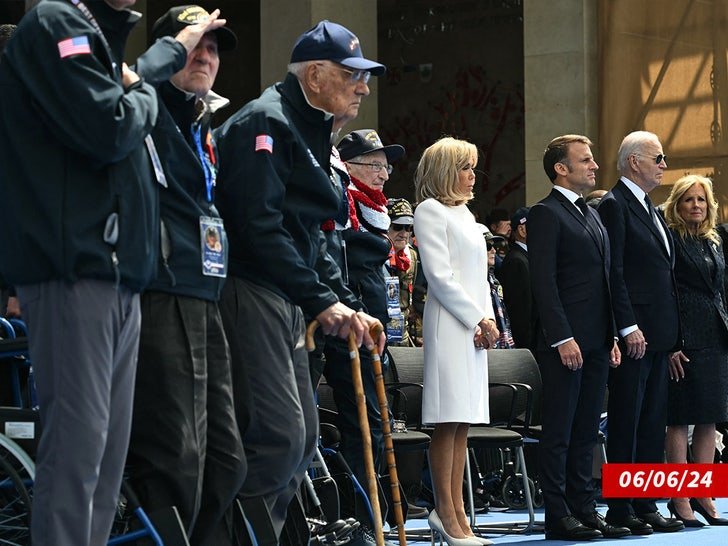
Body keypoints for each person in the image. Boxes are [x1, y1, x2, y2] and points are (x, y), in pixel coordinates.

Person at [0, 1, 190, 544]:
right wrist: (149, 82)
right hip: (73, 270)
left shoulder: (94, 39)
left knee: (106, 460)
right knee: (79, 452)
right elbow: (108, 129)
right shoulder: (56, 23)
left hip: (117, 275)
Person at [213, 20, 385, 540]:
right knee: (279, 437)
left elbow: (315, 233)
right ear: (314, 75)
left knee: (303, 436)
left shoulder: (309, 127)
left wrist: (340, 302)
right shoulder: (266, 122)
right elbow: (259, 230)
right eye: (352, 74)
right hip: (253, 289)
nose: (364, 86)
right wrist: (322, 300)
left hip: (288, 296)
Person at [124, 7, 246, 546]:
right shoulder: (142, 104)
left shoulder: (203, 123)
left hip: (205, 294)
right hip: (160, 294)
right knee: (176, 454)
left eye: (213, 49)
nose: (204, 56)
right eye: (193, 44)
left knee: (226, 459)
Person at [529, 135, 625, 541]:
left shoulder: (592, 213)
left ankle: (584, 507)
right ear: (560, 169)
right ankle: (558, 512)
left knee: (587, 429)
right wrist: (562, 336)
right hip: (565, 344)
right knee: (560, 431)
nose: (595, 166)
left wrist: (612, 334)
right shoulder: (545, 213)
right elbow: (544, 283)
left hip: (597, 341)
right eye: (585, 160)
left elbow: (604, 280)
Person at [596, 130, 683, 534]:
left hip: (659, 335)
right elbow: (614, 272)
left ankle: (646, 503)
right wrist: (626, 325)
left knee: (651, 423)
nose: (664, 165)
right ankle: (619, 507)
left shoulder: (650, 207)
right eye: (658, 158)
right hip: (635, 333)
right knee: (626, 421)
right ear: (635, 161)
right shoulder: (614, 205)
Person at [414, 136, 499, 546]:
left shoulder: (465, 213)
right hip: (449, 324)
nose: (472, 176)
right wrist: (477, 318)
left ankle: (460, 514)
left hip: (473, 327)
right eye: (465, 168)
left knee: (462, 421)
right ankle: (445, 513)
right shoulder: (429, 211)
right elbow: (440, 276)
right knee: (447, 421)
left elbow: (479, 276)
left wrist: (488, 323)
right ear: (446, 171)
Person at [325, 128, 403, 501]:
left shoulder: (376, 211)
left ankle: (379, 508)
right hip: (348, 327)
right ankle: (361, 512)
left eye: (386, 167)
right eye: (375, 165)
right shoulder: (346, 206)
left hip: (376, 328)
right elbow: (348, 264)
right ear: (349, 166)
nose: (383, 174)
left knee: (375, 422)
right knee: (363, 423)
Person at [663, 175, 728, 526]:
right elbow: (665, 293)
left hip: (716, 337)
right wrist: (672, 343)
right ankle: (680, 496)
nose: (696, 206)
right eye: (689, 200)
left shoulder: (715, 241)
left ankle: (703, 492)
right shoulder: (671, 239)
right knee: (679, 418)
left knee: (709, 417)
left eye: (701, 200)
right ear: (677, 204)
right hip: (684, 340)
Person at [496, 206, 536, 351]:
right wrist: (527, 348)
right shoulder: (516, 261)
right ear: (522, 230)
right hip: (528, 346)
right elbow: (520, 312)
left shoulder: (527, 258)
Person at [385, 197, 420, 347]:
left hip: (401, 332)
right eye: (398, 226)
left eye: (408, 228)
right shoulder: (374, 253)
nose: (404, 233)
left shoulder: (411, 256)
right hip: (378, 331)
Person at [479, 224, 514, 349]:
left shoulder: (494, 280)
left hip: (500, 345)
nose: (493, 250)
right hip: (480, 344)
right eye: (488, 246)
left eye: (494, 246)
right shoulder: (469, 281)